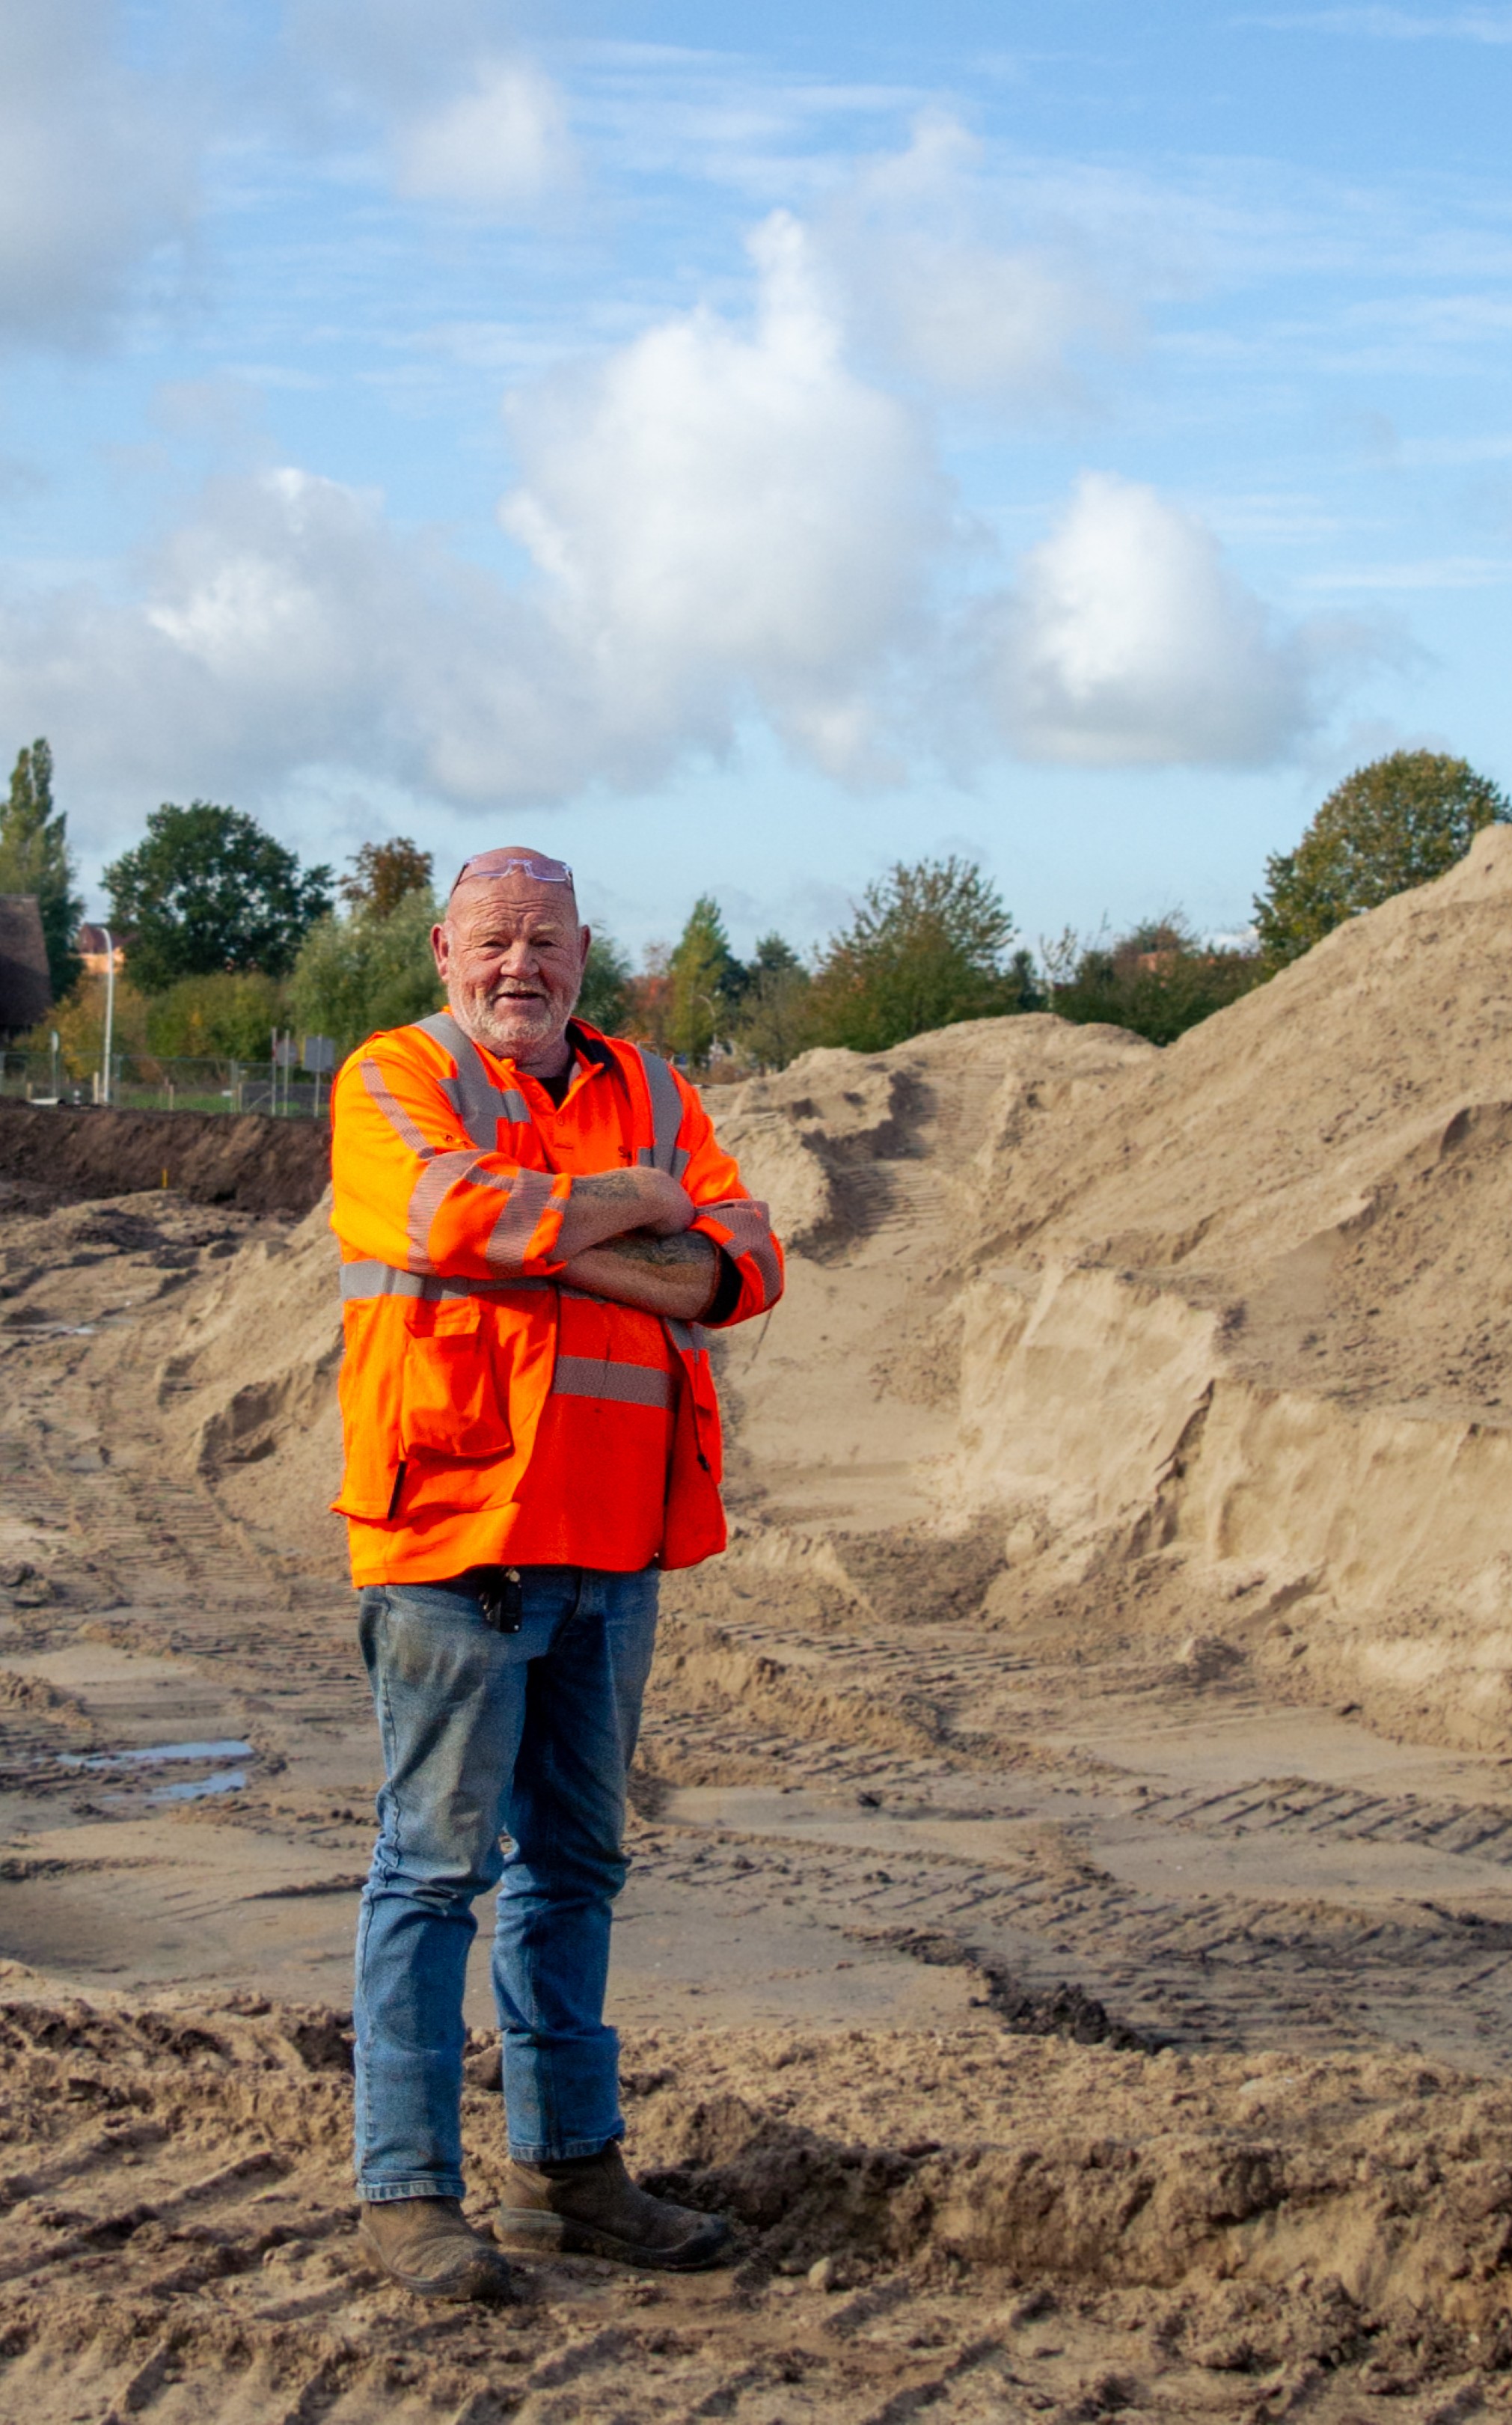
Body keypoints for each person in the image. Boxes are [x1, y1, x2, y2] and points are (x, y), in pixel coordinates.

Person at [328, 847, 784, 2301]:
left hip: (613, 1546)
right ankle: (407, 2194)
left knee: (577, 1866)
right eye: (492, 942)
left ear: (586, 948)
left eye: (545, 941)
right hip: (459, 1545)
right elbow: (453, 1218)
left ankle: (570, 2172)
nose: (519, 967)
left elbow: (749, 1254)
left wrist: (582, 1236)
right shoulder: (392, 1076)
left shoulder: (649, 1086)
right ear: (444, 954)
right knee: (433, 1870)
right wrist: (638, 1206)